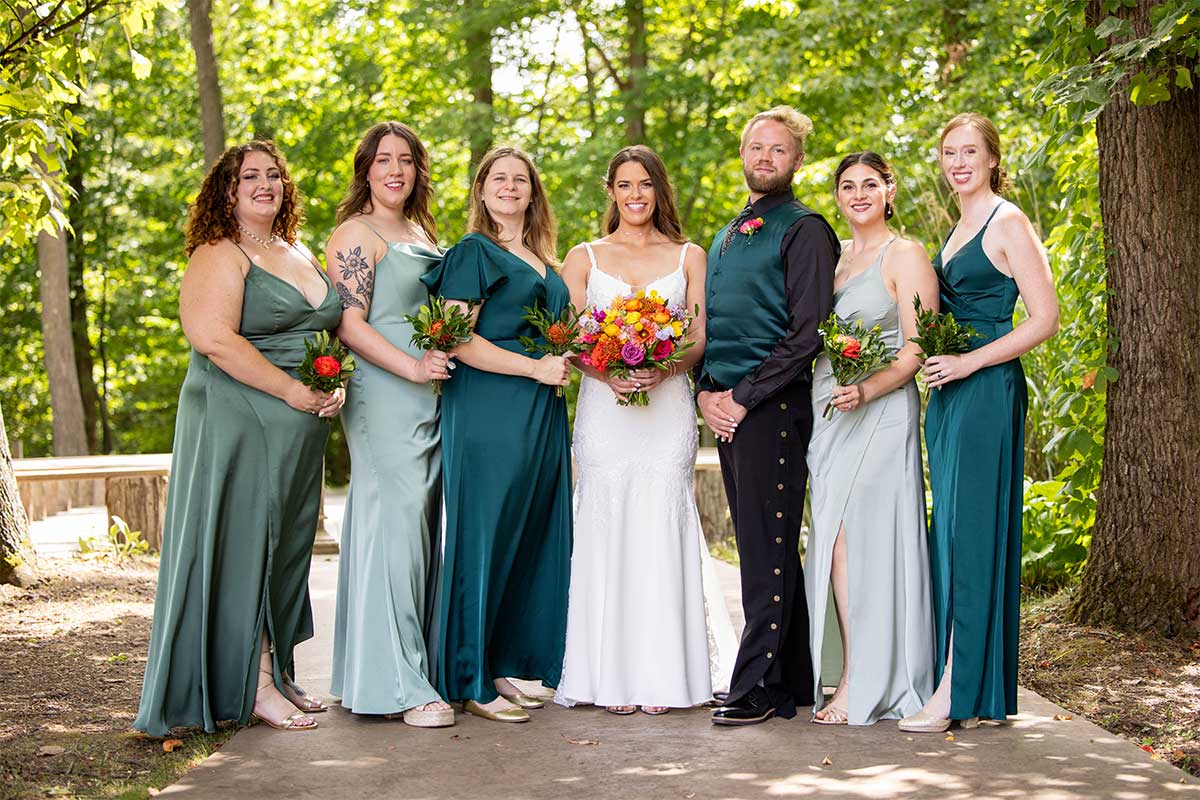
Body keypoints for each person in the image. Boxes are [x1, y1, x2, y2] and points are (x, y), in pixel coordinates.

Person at [135, 141, 344, 735]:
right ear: (226, 192)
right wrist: (292, 391)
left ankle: (276, 671)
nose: (264, 184)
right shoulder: (219, 251)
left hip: (299, 425)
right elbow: (212, 338)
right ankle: (253, 687)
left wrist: (333, 384)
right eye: (249, 176)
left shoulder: (295, 249)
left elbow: (323, 332)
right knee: (251, 544)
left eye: (273, 174)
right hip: (242, 418)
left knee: (288, 548)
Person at [555, 145, 738, 716]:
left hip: (667, 411)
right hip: (605, 411)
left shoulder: (690, 256)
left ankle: (665, 677)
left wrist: (665, 367)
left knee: (661, 522)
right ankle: (606, 676)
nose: (635, 195)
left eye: (645, 184)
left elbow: (700, 336)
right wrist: (605, 371)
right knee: (606, 524)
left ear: (659, 190)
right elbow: (566, 338)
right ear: (610, 191)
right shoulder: (583, 257)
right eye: (625, 185)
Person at [901, 113, 1058, 732]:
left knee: (970, 534)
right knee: (954, 532)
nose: (958, 162)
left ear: (993, 158)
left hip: (986, 389)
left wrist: (969, 362)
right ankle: (979, 689)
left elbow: (1044, 319)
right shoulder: (958, 225)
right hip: (950, 393)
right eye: (949, 152)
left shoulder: (1007, 221)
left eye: (970, 152)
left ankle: (954, 692)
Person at [697, 106, 839, 726]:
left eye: (778, 149)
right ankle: (794, 681)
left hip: (774, 406)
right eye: (757, 147)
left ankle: (756, 684)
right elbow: (714, 325)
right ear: (743, 153)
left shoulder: (805, 229)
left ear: (797, 160)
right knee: (766, 542)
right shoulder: (730, 231)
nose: (765, 157)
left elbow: (808, 333)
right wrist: (706, 392)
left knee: (765, 548)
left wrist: (743, 396)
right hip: (732, 405)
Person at [420, 146, 572, 724]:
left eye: (520, 179)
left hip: (540, 409)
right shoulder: (472, 251)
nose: (510, 187)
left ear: (533, 193)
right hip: (490, 407)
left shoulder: (541, 257)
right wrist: (534, 368)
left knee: (523, 536)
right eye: (499, 179)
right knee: (484, 535)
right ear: (481, 191)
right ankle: (468, 678)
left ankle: (498, 667)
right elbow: (456, 339)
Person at [326, 122, 454, 728]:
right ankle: (401, 685)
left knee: (417, 528)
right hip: (384, 391)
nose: (395, 170)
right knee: (395, 527)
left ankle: (389, 668)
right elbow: (349, 324)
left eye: (406, 160)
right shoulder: (356, 233)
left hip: (429, 392)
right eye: (383, 160)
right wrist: (412, 367)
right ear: (366, 170)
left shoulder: (422, 232)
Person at [804, 151, 938, 725]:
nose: (857, 194)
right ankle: (848, 667)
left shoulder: (904, 254)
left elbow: (918, 346)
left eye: (869, 184)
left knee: (861, 538)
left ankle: (864, 677)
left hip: (881, 410)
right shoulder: (832, 258)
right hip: (829, 410)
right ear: (837, 195)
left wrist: (867, 389)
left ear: (889, 190)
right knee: (834, 537)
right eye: (847, 186)